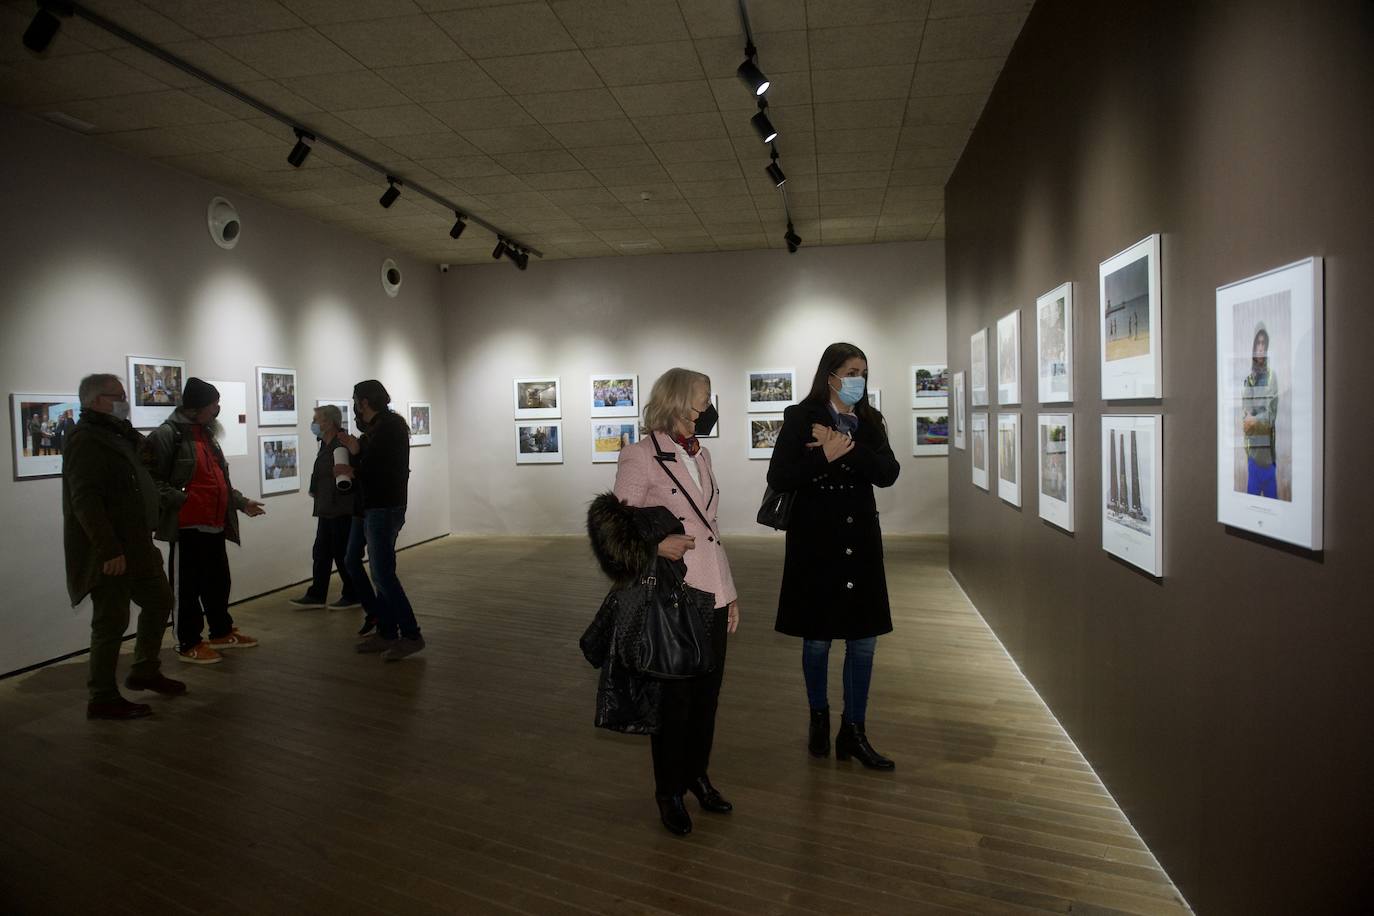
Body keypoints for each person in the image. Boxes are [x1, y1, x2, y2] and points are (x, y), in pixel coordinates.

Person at [601, 368, 740, 836]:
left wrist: (730, 593)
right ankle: (669, 792)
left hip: (712, 591)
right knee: (675, 703)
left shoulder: (701, 453)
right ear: (678, 400)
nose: (708, 407)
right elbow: (616, 528)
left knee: (707, 699)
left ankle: (697, 776)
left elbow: (711, 530)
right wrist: (657, 546)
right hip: (674, 597)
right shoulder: (641, 455)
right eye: (703, 398)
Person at [767, 343, 901, 770]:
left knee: (863, 642)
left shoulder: (870, 421)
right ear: (831, 376)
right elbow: (780, 476)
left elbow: (888, 473)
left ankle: (854, 731)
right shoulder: (801, 417)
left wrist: (846, 446)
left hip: (860, 541)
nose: (858, 379)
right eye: (851, 371)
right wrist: (824, 455)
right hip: (816, 541)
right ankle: (819, 718)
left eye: (863, 372)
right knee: (818, 639)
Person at [63, 373, 185, 719]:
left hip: (137, 543)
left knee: (160, 600)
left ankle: (144, 669)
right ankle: (101, 696)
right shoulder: (85, 439)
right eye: (116, 396)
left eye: (123, 395)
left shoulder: (117, 435)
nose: (124, 402)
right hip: (114, 549)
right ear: (94, 401)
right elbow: (85, 500)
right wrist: (108, 550)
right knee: (110, 621)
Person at [145, 377, 266, 664]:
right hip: (186, 526)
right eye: (213, 404)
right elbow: (150, 480)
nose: (217, 409)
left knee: (217, 582)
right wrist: (183, 500)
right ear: (197, 407)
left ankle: (221, 631)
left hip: (214, 524)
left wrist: (241, 503)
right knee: (186, 588)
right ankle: (188, 642)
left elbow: (219, 480)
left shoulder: (206, 435)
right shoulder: (167, 435)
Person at [338, 379, 422, 660]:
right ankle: (386, 631)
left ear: (364, 402)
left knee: (383, 573)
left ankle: (411, 634)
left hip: (384, 507)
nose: (354, 406)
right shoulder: (379, 428)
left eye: (355, 400)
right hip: (372, 506)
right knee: (367, 566)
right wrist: (356, 450)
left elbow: (379, 469)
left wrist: (354, 460)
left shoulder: (389, 428)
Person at [290, 405, 359, 610]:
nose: (313, 423)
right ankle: (317, 594)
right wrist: (314, 489)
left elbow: (347, 476)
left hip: (341, 509)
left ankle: (353, 593)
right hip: (326, 508)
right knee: (321, 552)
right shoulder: (324, 444)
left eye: (316, 419)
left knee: (341, 553)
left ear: (328, 422)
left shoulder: (342, 444)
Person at [1242, 323, 1279, 499]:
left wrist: (1255, 419)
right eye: (1258, 343)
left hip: (1269, 459)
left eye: (1264, 343)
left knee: (1274, 508)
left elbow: (1270, 418)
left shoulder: (1272, 377)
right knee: (1251, 507)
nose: (1261, 347)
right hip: (1253, 458)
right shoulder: (1248, 381)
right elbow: (1245, 423)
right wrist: (1256, 419)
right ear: (1253, 346)